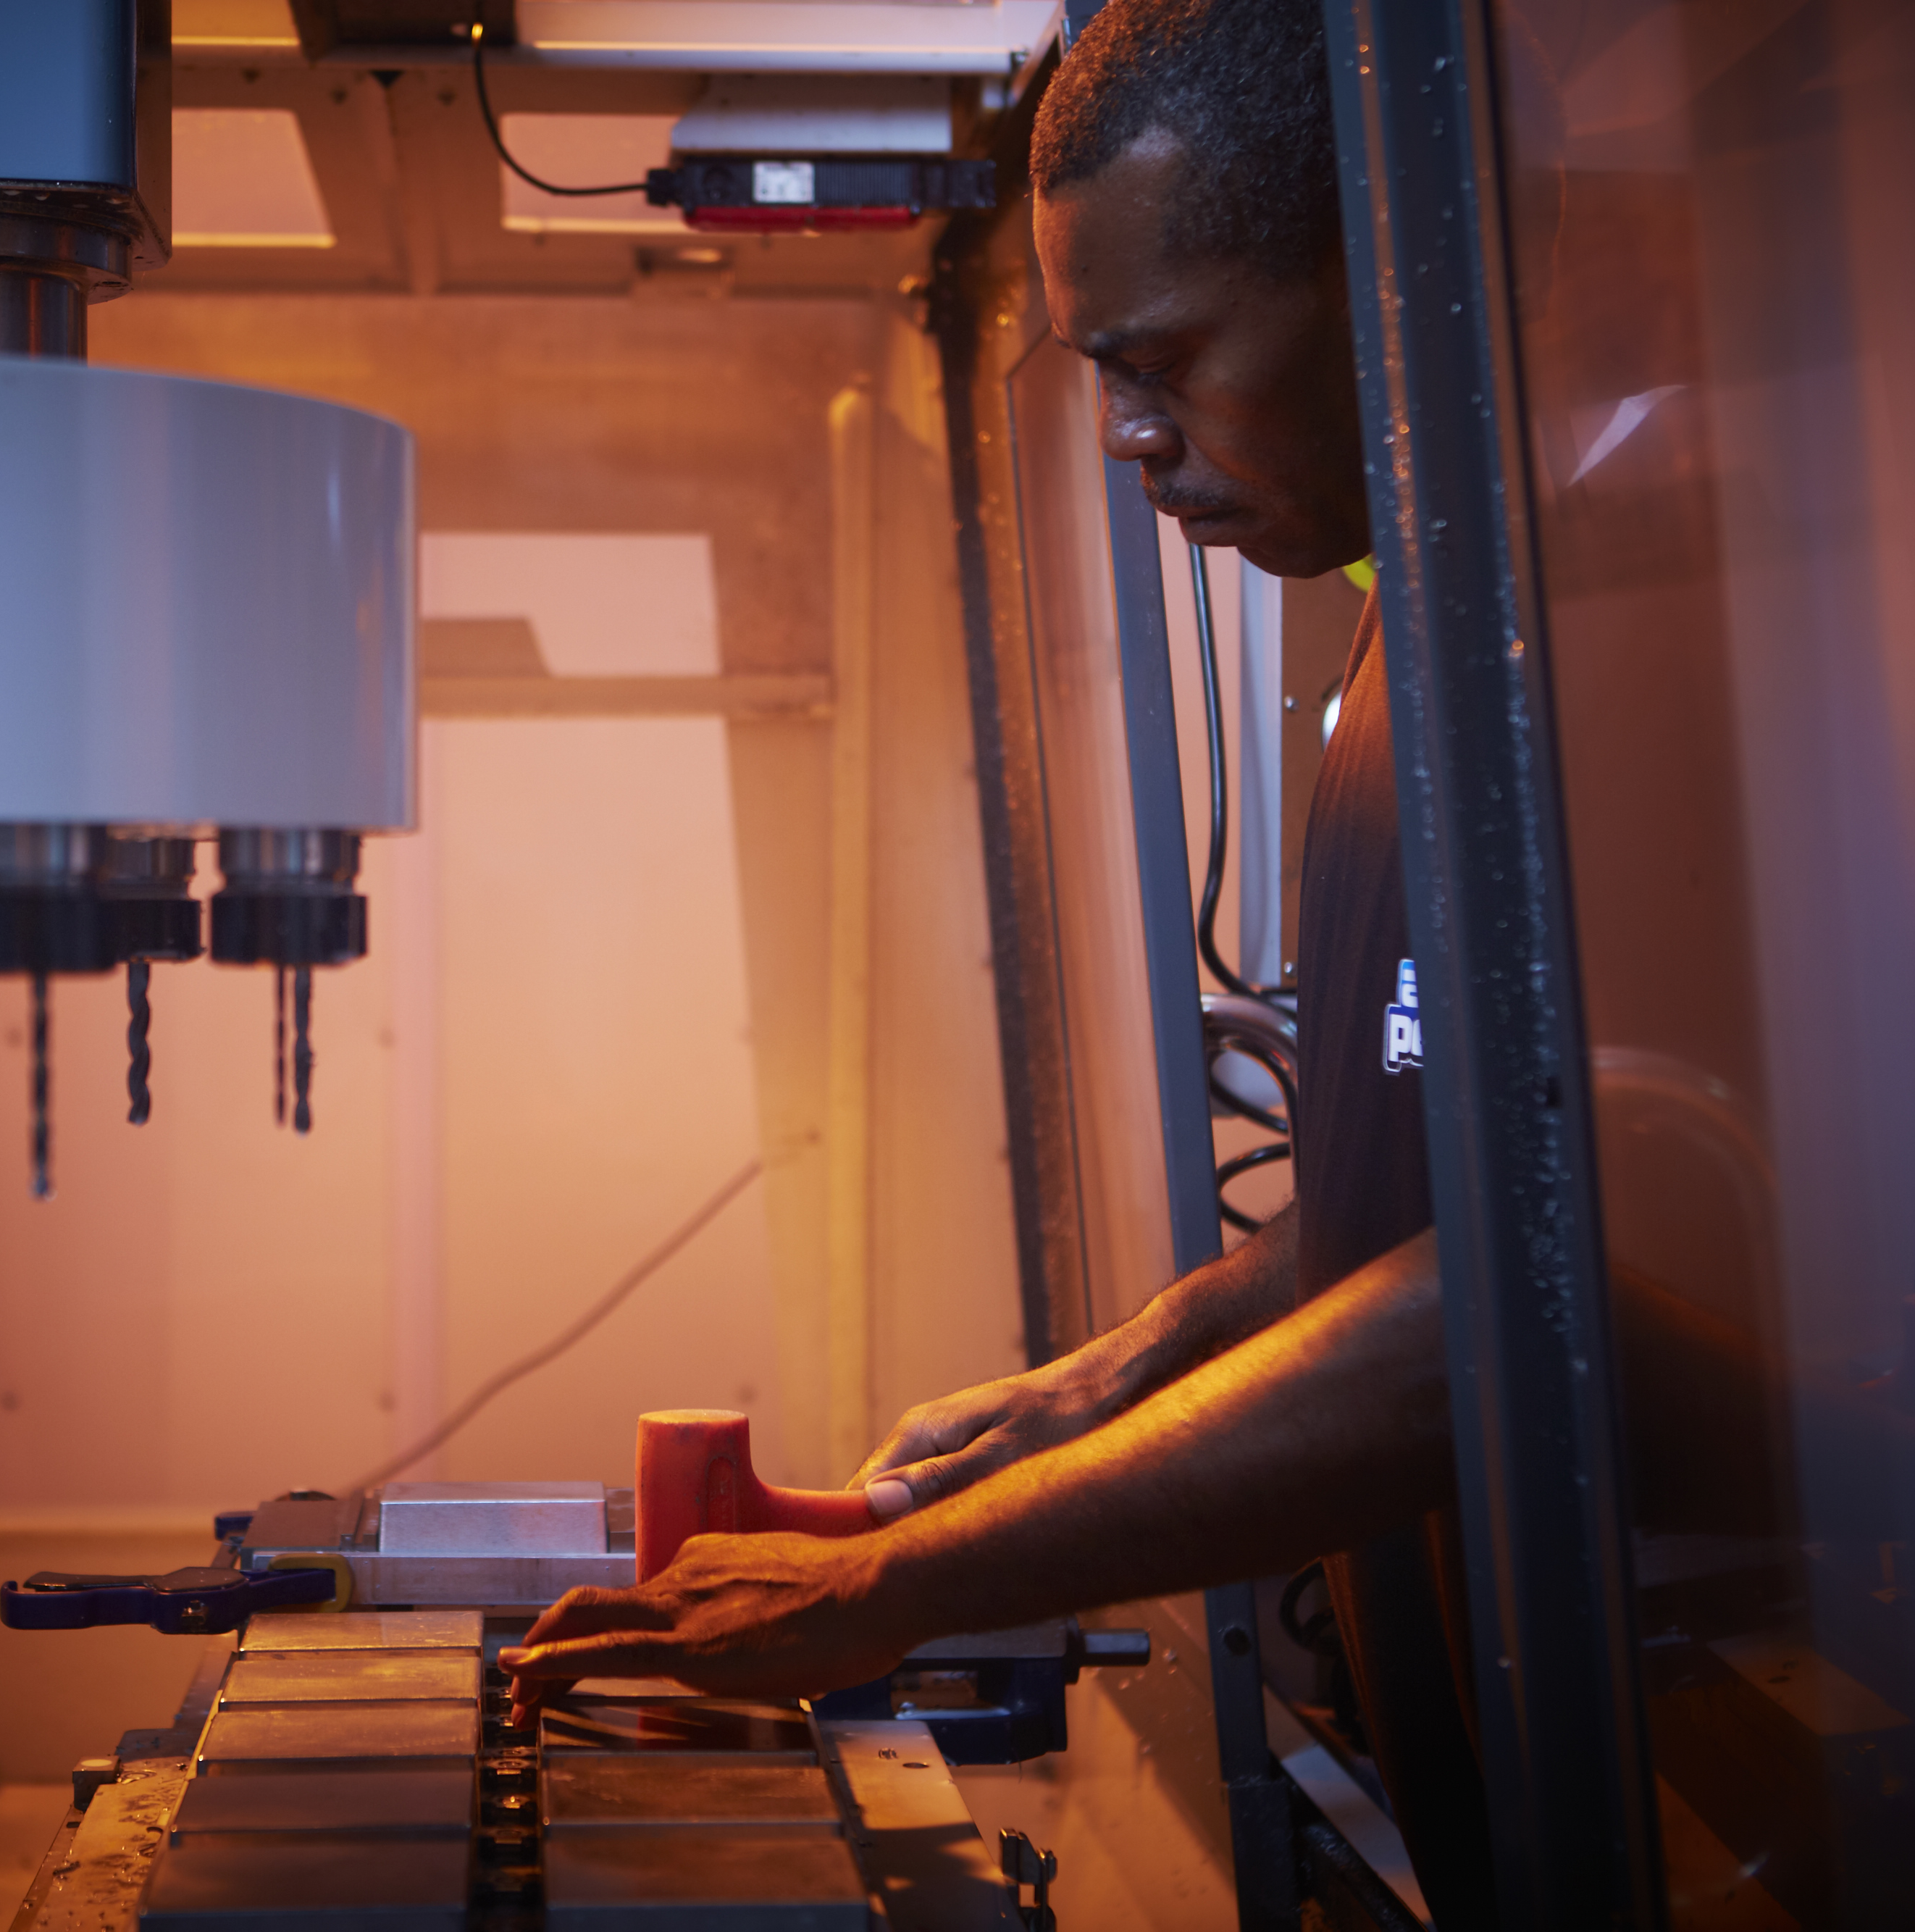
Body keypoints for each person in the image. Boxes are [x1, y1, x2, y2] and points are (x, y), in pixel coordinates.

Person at [500, 2, 1509, 1919]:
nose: (1127, 433)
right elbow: (1422, 1217)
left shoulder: (1587, 649)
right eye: (1096, 371)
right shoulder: (1391, 645)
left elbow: (1524, 1305)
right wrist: (1096, 1386)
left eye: (1164, 359)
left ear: (1376, 254)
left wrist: (880, 1590)